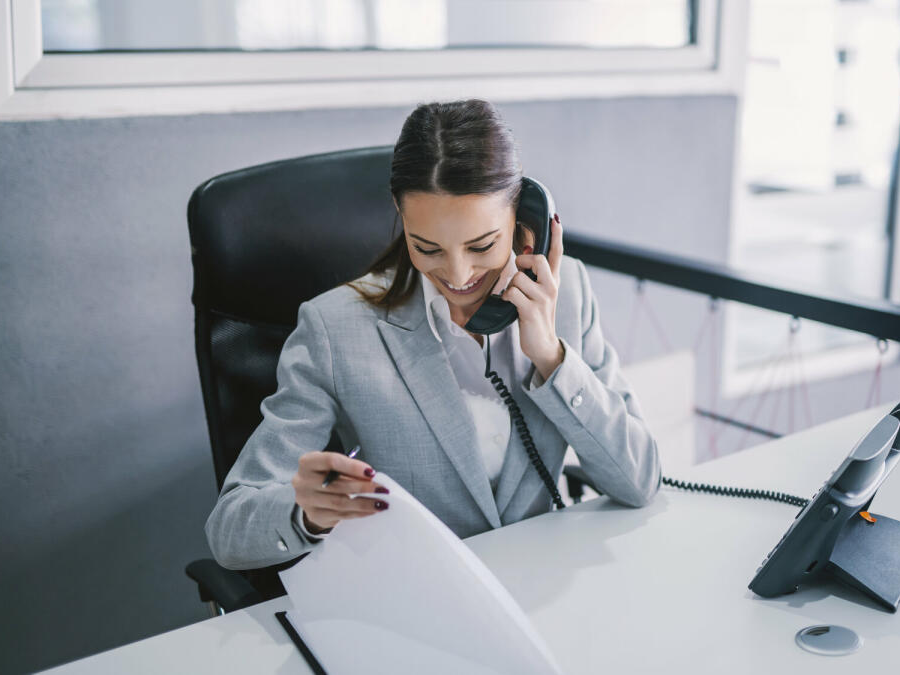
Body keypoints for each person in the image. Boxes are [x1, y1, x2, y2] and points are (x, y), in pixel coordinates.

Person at [206, 99, 660, 571]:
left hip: (543, 585)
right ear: (402, 221)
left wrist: (551, 356)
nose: (458, 274)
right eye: (427, 247)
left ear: (525, 226)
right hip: (418, 600)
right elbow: (229, 527)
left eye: (482, 245)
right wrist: (306, 516)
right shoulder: (335, 329)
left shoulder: (566, 298)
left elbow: (639, 480)